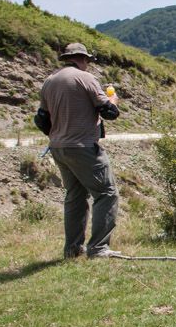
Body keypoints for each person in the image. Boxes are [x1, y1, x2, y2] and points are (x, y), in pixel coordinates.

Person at [34, 42, 121, 259]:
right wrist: (113, 100)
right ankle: (99, 248)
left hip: (58, 147)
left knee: (75, 196)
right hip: (83, 147)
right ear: (83, 59)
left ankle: (72, 250)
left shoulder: (50, 81)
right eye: (88, 61)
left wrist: (59, 134)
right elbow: (109, 112)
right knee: (106, 193)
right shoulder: (86, 79)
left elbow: (41, 120)